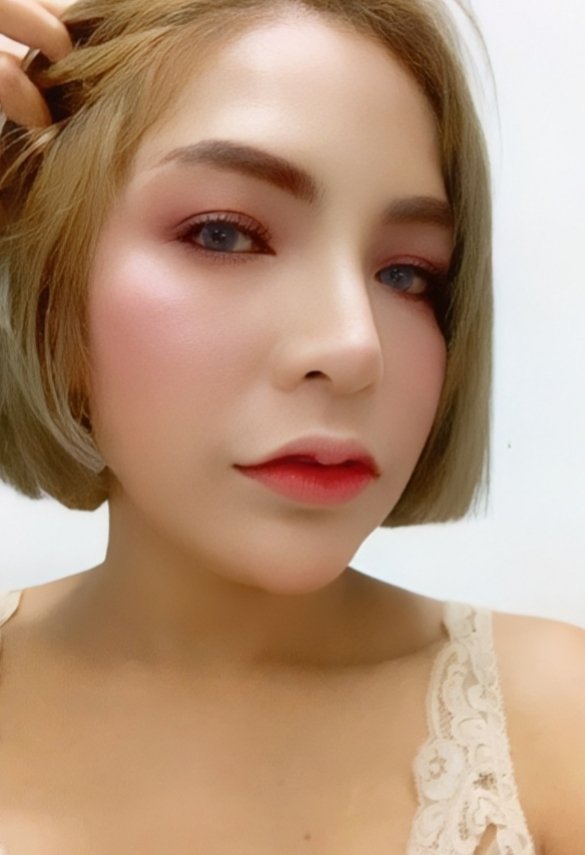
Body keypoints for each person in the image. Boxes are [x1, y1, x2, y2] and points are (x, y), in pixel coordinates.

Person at [0, 0, 584, 851]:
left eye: (407, 274)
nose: (353, 348)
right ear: (48, 271)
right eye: (225, 234)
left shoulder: (556, 728)